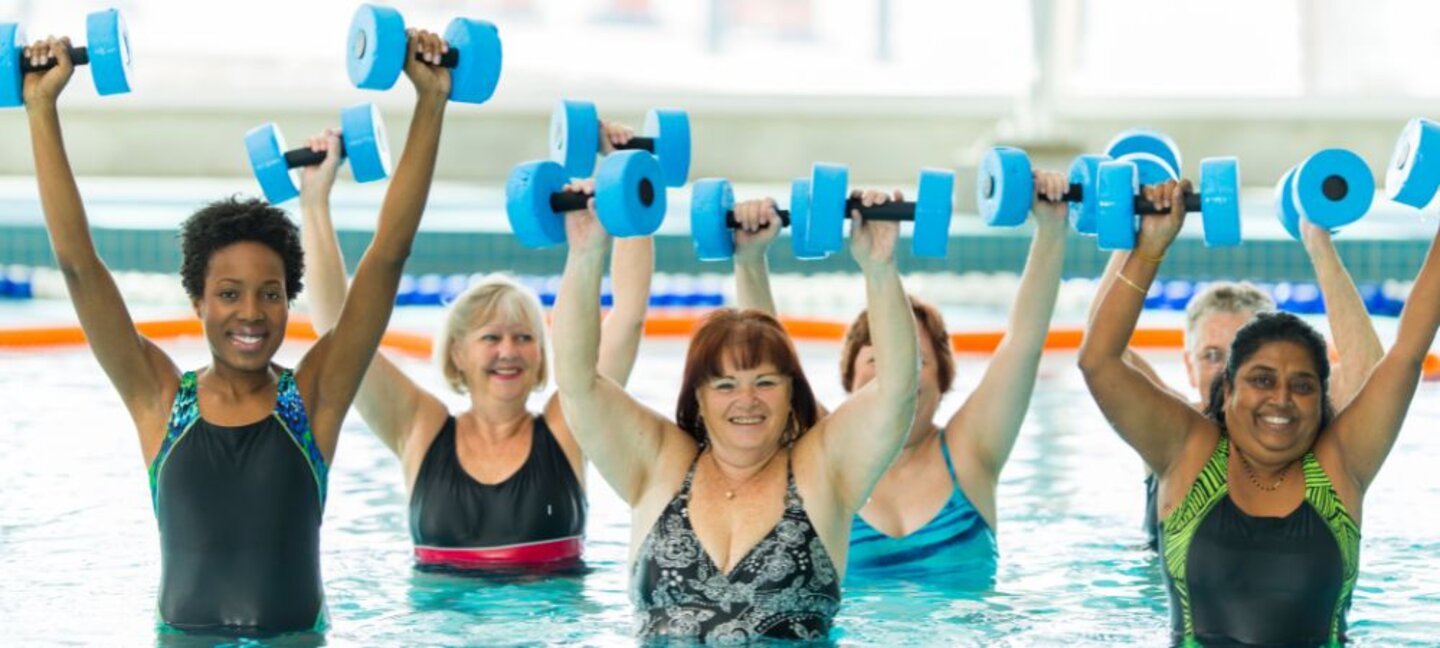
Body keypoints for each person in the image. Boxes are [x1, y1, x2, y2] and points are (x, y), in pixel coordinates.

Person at [24, 30, 450, 635]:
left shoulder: (313, 400)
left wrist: (430, 103)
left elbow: (387, 256)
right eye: (229, 294)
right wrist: (42, 108)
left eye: (270, 294)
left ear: (287, 302)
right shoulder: (160, 400)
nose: (251, 313)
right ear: (197, 300)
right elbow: (76, 263)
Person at [1078, 179, 1440, 646]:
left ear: (1322, 399)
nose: (1282, 400)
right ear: (1227, 390)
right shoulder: (1189, 452)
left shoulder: (1338, 467)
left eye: (1303, 385)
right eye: (1262, 380)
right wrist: (1149, 246)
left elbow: (1406, 353)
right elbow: (1099, 360)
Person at [551, 189, 919, 642]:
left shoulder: (822, 470)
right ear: (698, 399)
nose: (747, 401)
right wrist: (586, 253)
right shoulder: (660, 464)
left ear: (791, 394)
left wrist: (879, 267)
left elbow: (897, 392)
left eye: (766, 383)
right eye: (725, 386)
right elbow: (577, 382)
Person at [298, 128, 652, 569]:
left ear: (542, 355)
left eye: (524, 338)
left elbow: (628, 318)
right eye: (492, 338)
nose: (510, 351)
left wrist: (626, 179)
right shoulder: (419, 428)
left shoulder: (569, 426)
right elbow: (337, 328)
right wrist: (314, 201)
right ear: (456, 355)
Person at [728, 173, 1069, 584]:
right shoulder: (825, 453)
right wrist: (749, 260)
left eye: (915, 362)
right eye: (876, 361)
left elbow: (1023, 344)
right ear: (850, 382)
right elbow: (771, 362)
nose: (896, 378)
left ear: (944, 380)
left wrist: (1051, 229)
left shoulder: (970, 450)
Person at [1089, 218, 1382, 550]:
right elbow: (1102, 349)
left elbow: (1369, 375)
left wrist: (1319, 242)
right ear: (1188, 365)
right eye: (1212, 356)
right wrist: (1133, 234)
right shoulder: (1169, 432)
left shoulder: (1303, 431)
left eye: (1240, 359)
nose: (1225, 375)